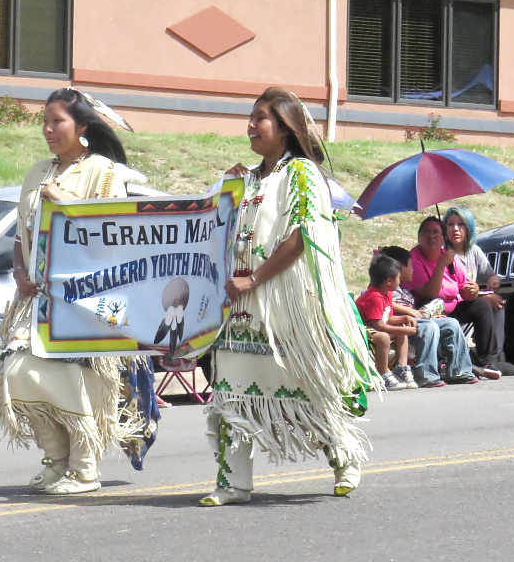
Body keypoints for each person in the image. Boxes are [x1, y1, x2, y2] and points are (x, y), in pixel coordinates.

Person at [200, 87, 378, 507]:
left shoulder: (302, 173)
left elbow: (304, 235)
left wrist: (256, 278)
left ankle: (344, 458)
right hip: (241, 307)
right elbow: (212, 228)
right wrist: (227, 189)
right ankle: (233, 483)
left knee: (310, 389)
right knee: (232, 392)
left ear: (284, 128)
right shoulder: (245, 177)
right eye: (250, 117)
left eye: (260, 118)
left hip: (286, 305)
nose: (250, 126)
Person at [0, 88, 159, 496]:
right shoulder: (37, 173)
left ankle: (84, 469)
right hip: (38, 299)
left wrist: (61, 199)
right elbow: (20, 236)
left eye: (57, 121)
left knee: (77, 380)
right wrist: (20, 271)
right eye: (44, 122)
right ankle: (56, 458)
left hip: (87, 299)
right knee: (17, 372)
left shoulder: (103, 171)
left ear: (82, 126)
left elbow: (110, 234)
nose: (48, 130)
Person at [402, 216, 502, 380]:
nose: (431, 236)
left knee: (482, 305)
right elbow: (429, 293)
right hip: (427, 311)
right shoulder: (414, 259)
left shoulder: (450, 257)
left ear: (444, 238)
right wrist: (441, 265)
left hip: (453, 307)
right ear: (419, 237)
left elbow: (465, 288)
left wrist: (474, 290)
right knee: (430, 302)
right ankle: (444, 362)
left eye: (436, 232)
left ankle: (488, 362)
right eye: (426, 232)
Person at [380, 246, 478, 387]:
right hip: (397, 323)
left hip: (414, 320)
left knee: (451, 323)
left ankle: (458, 370)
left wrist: (427, 315)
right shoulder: (386, 285)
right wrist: (409, 311)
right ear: (399, 268)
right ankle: (426, 374)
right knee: (429, 327)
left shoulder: (405, 289)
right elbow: (382, 302)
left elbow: (416, 312)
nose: (414, 270)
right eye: (411, 266)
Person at [443, 207, 514, 375]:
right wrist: (481, 295)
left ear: (469, 228)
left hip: (469, 300)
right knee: (486, 303)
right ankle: (488, 359)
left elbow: (489, 274)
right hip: (451, 303)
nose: (455, 229)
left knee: (498, 302)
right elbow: (451, 290)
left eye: (461, 224)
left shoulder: (473, 250)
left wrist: (493, 279)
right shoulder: (444, 253)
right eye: (450, 224)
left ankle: (495, 357)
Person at [355, 255, 418, 390]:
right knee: (384, 337)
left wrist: (404, 319)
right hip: (364, 331)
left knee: (401, 330)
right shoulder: (375, 297)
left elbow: (386, 318)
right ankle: (383, 373)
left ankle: (401, 368)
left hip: (375, 327)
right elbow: (378, 325)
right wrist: (403, 330)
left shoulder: (386, 293)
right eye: (398, 278)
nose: (400, 281)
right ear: (389, 281)